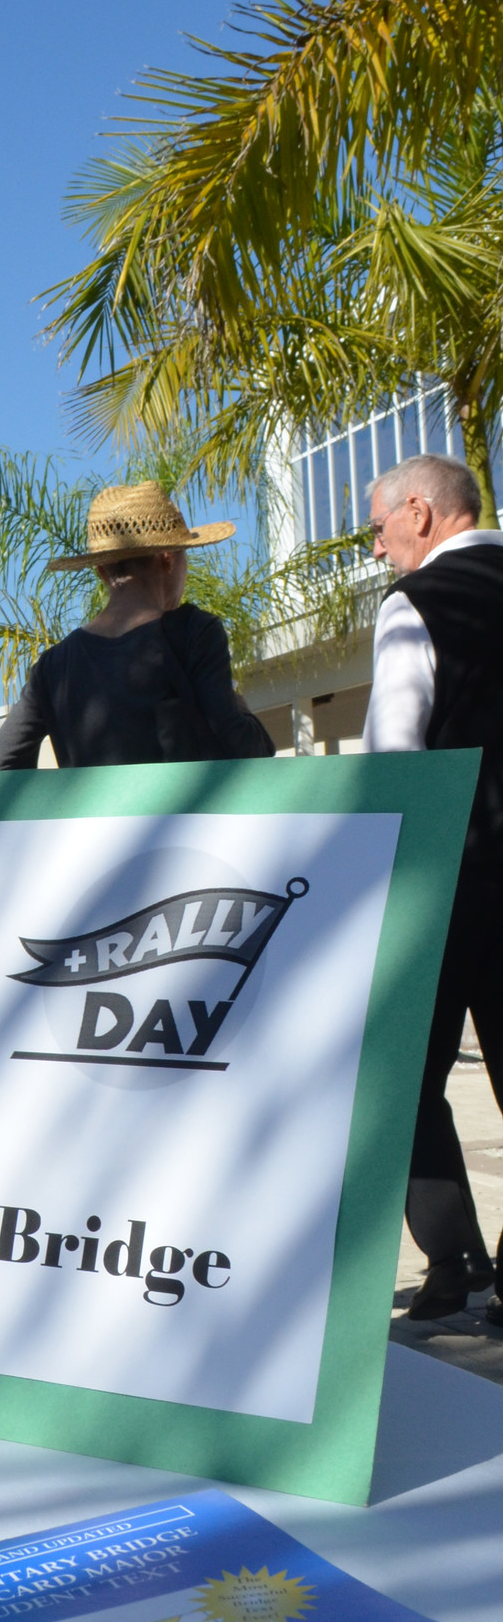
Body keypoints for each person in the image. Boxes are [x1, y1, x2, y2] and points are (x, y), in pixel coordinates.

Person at [365, 451, 503, 1323]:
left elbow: (396, 761)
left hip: (454, 876)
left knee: (399, 1071)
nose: (378, 548)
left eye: (380, 528)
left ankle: (451, 1259)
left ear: (419, 512)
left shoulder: (415, 603)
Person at [0, 483, 275, 770]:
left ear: (101, 571)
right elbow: (246, 749)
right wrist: (238, 706)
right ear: (168, 558)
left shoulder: (53, 668)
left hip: (93, 806)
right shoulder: (195, 633)